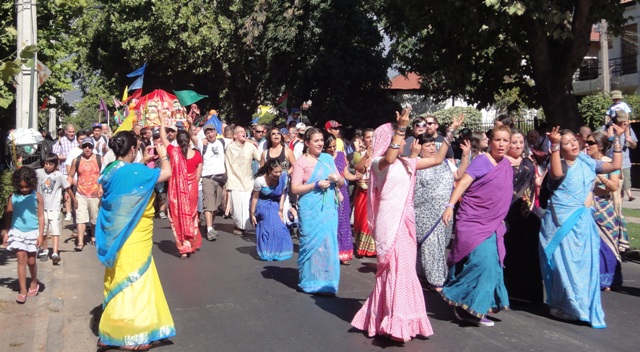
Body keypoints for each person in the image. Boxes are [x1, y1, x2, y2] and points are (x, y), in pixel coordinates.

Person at [352, 109, 459, 342]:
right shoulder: (379, 164)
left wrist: (450, 132)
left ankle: (401, 319)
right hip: (390, 221)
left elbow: (438, 159)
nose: (400, 143)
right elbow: (390, 158)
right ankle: (393, 323)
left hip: (407, 221)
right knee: (395, 270)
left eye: (399, 139)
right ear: (387, 143)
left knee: (406, 270)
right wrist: (401, 128)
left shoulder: (408, 163)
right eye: (395, 140)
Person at [95, 131, 175, 350]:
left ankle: (112, 327)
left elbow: (127, 175)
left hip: (116, 234)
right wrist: (163, 155)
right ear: (132, 149)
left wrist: (143, 161)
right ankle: (133, 333)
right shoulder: (137, 172)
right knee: (135, 277)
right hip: (135, 232)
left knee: (118, 274)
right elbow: (167, 173)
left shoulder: (110, 170)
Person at [539, 126, 624, 328]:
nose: (573, 145)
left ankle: (582, 306)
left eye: (574, 141)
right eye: (567, 143)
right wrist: (554, 145)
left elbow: (614, 166)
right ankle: (562, 305)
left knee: (583, 268)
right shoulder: (558, 164)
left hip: (584, 223)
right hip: (562, 223)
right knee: (563, 266)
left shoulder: (587, 162)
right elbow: (557, 173)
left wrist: (618, 141)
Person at [441, 124, 514, 327]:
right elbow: (463, 183)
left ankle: (475, 306)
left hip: (493, 224)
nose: (501, 144)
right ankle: (460, 299)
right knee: (482, 261)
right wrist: (450, 205)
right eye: (497, 140)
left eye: (505, 140)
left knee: (491, 263)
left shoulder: (506, 165)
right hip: (472, 220)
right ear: (490, 141)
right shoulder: (482, 161)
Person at [412, 133, 470, 290]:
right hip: (424, 212)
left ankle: (422, 274)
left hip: (444, 211)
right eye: (427, 145)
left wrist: (465, 157)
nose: (431, 148)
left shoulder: (444, 162)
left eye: (433, 145)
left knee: (439, 245)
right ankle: (437, 280)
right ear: (418, 147)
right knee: (431, 245)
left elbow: (458, 175)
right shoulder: (415, 163)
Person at [291, 127, 344, 295]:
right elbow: (295, 188)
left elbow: (341, 182)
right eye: (316, 141)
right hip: (310, 208)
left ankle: (327, 283)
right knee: (310, 244)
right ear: (307, 143)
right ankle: (310, 281)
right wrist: (316, 184)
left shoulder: (328, 158)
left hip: (328, 208)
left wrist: (338, 179)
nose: (320, 144)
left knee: (328, 243)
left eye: (321, 140)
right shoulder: (301, 162)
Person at [503, 129, 543, 304]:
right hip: (508, 212)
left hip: (527, 211)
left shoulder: (528, 161)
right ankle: (507, 289)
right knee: (508, 249)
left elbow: (535, 184)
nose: (518, 145)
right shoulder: (502, 162)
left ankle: (527, 293)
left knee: (528, 250)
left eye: (520, 142)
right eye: (513, 142)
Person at [585, 131, 625, 291]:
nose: (587, 145)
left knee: (607, 244)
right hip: (588, 206)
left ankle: (609, 279)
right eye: (586, 143)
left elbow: (614, 186)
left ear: (600, 146)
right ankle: (595, 278)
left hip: (604, 206)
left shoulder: (609, 162)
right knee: (592, 244)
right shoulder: (585, 161)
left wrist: (600, 178)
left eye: (591, 143)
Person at [160, 116, 202, 258]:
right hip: (193, 190)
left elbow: (163, 139)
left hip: (178, 191)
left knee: (178, 217)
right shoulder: (197, 155)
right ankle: (191, 242)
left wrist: (161, 122)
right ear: (189, 140)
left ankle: (184, 246)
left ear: (177, 141)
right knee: (191, 216)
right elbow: (198, 176)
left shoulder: (173, 152)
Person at [2, 167, 44, 304]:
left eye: (27, 187)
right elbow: (8, 215)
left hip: (33, 233)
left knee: (31, 261)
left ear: (32, 183)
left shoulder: (37, 196)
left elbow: (41, 216)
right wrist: (6, 232)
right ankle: (22, 290)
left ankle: (33, 281)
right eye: (21, 187)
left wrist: (41, 235)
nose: (24, 189)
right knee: (21, 260)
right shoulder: (13, 197)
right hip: (17, 232)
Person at [324, 133, 359, 265]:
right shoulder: (322, 158)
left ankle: (343, 253)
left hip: (342, 192)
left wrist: (356, 177)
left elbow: (346, 174)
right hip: (328, 192)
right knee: (330, 223)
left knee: (343, 223)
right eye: (329, 147)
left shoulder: (340, 155)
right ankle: (330, 252)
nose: (332, 149)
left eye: (334, 146)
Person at [36, 153, 77, 265]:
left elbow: (67, 188)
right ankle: (44, 250)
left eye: (50, 164)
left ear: (56, 164)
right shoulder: (39, 173)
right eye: (46, 163)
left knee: (55, 230)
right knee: (43, 230)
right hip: (42, 208)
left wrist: (74, 200)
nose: (48, 166)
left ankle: (54, 252)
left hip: (54, 208)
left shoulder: (59, 176)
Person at [249, 159, 293, 261]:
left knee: (279, 226)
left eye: (280, 172)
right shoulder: (260, 181)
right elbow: (254, 197)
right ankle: (266, 251)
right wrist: (252, 214)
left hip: (275, 204)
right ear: (269, 171)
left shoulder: (283, 178)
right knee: (269, 220)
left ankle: (278, 250)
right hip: (262, 204)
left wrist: (281, 210)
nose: (278, 174)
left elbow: (282, 194)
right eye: (276, 172)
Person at [67, 137, 103, 251]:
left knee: (94, 218)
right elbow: (70, 176)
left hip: (95, 194)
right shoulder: (76, 160)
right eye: (85, 146)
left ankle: (93, 236)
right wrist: (67, 190)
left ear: (93, 147)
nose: (87, 149)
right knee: (80, 219)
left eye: (90, 146)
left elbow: (104, 175)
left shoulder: (99, 159)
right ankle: (80, 242)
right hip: (80, 193)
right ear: (82, 147)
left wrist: (102, 188)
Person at [193, 123, 226, 241]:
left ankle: (209, 225)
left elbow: (236, 139)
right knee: (208, 205)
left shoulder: (222, 142)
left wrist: (250, 141)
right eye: (207, 133)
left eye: (211, 132)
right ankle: (209, 229)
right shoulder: (202, 144)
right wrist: (190, 122)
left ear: (215, 132)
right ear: (205, 135)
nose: (210, 134)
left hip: (220, 178)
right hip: (208, 178)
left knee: (216, 205)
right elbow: (191, 136)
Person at [226, 126, 262, 235]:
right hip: (234, 181)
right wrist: (248, 140)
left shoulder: (250, 147)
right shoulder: (229, 147)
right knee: (236, 208)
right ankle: (237, 226)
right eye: (240, 132)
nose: (243, 133)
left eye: (244, 131)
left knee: (247, 206)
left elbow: (261, 158)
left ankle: (244, 226)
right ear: (235, 135)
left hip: (248, 181)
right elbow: (227, 138)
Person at [603, 110, 637, 201]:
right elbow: (601, 144)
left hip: (624, 162)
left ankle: (619, 210)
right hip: (610, 162)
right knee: (612, 189)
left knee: (623, 188)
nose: (621, 122)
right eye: (620, 120)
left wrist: (631, 141)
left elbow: (634, 146)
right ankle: (614, 210)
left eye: (623, 120)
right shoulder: (607, 128)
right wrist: (610, 137)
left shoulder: (628, 129)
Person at [352, 128, 375, 257]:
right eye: (368, 137)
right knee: (363, 218)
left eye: (372, 137)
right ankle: (363, 247)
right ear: (363, 139)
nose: (370, 140)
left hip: (376, 191)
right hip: (363, 189)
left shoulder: (382, 153)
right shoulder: (359, 153)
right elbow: (358, 168)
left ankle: (375, 248)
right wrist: (365, 156)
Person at [52, 123, 78, 221]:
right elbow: (55, 155)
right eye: (70, 132)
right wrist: (68, 157)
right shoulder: (60, 141)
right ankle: (68, 212)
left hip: (76, 170)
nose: (72, 134)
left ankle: (76, 210)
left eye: (73, 132)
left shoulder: (77, 140)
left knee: (75, 191)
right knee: (67, 191)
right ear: (66, 132)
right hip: (64, 169)